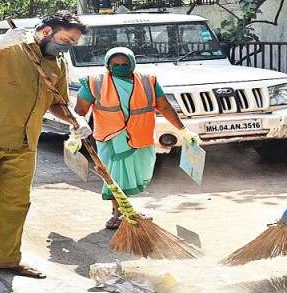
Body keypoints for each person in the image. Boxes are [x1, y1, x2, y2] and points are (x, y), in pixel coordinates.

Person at [0, 11, 92, 280]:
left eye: (73, 42)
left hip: (23, 142)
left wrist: (75, 119)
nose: (68, 46)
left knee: (16, 203)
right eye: (66, 39)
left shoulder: (57, 64)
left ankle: (6, 260)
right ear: (46, 31)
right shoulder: (8, 48)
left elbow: (56, 102)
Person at [69, 47, 200, 229]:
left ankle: (124, 209)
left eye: (125, 64)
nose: (120, 67)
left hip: (142, 137)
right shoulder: (95, 83)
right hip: (112, 138)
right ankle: (119, 213)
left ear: (133, 63)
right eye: (115, 64)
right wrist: (76, 131)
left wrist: (183, 130)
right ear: (107, 65)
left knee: (140, 175)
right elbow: (80, 111)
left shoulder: (148, 82)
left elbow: (165, 107)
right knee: (116, 177)